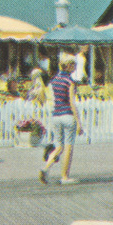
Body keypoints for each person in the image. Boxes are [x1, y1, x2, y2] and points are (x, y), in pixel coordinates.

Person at [39, 53, 84, 185]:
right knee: (68, 147)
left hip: (56, 115)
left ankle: (45, 168)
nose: (75, 67)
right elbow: (71, 102)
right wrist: (79, 122)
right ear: (69, 66)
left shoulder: (54, 80)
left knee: (58, 146)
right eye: (74, 64)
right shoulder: (70, 82)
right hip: (67, 115)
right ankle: (65, 176)